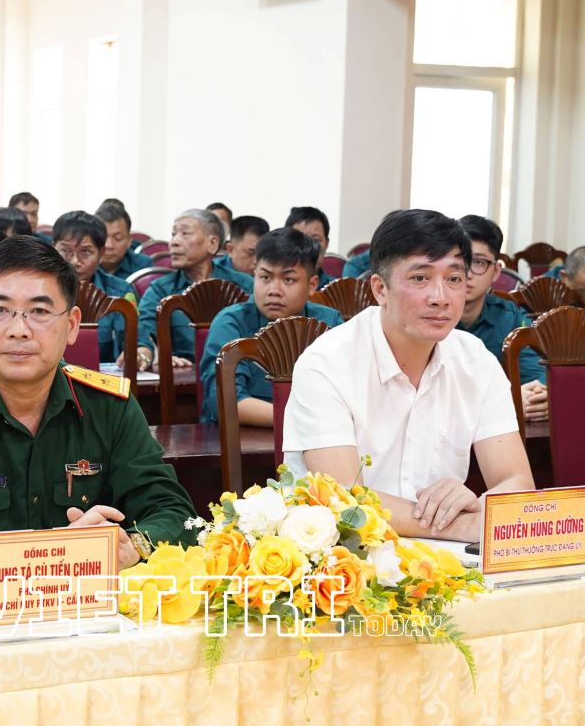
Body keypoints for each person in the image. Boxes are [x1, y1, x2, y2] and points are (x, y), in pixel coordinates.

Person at [0, 236, 196, 575]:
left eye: (39, 312)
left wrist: (132, 546)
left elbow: (177, 516)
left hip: (86, 603)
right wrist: (48, 553)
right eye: (0, 310)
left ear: (71, 325)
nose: (19, 330)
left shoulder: (109, 406)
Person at [282, 209, 534, 541]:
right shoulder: (326, 363)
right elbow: (343, 499)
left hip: (444, 558)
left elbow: (518, 484)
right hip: (343, 555)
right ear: (380, 289)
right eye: (420, 279)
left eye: (454, 279)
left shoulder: (476, 361)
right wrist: (464, 525)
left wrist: (477, 506)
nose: (440, 298)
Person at [199, 228, 343, 425]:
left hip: (317, 436)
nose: (274, 290)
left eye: (288, 280)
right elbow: (227, 403)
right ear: (254, 275)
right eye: (265, 278)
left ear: (312, 285)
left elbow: (349, 393)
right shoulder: (230, 323)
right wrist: (304, 420)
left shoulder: (329, 322)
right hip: (243, 439)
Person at [134, 209, 253, 371]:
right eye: (173, 234)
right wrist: (150, 353)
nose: (174, 242)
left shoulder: (243, 286)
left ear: (212, 244)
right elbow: (144, 329)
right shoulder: (161, 289)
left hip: (237, 373)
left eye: (185, 234)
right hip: (183, 374)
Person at [456, 215, 548, 421]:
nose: (467, 273)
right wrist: (508, 399)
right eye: (460, 261)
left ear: (496, 271)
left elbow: (536, 374)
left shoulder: (510, 317)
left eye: (478, 262)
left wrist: (538, 397)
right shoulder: (430, 317)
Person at [52, 210, 136, 362]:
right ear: (53, 249)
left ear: (101, 253)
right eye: (65, 251)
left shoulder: (120, 292)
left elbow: (134, 341)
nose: (75, 261)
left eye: (85, 252)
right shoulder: (36, 290)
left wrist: (138, 352)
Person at [96, 201, 152, 280]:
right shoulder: (83, 264)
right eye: (103, 237)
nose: (109, 245)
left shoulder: (143, 266)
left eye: (117, 238)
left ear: (129, 241)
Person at [285, 205, 337, 287]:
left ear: (326, 244)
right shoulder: (274, 287)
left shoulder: (337, 289)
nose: (309, 248)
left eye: (315, 240)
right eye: (300, 239)